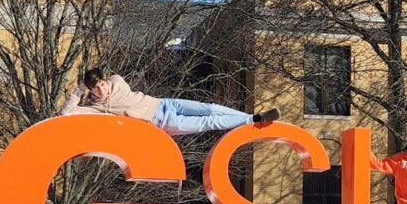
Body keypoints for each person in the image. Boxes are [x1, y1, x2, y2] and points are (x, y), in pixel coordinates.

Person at [60, 68, 280, 135]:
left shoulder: (117, 80)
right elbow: (66, 113)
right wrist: (80, 89)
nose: (100, 90)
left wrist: (91, 81)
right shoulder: (95, 108)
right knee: (208, 123)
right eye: (95, 89)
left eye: (101, 85)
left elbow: (111, 81)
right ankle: (251, 120)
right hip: (162, 123)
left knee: (209, 108)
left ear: (106, 80)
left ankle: (254, 118)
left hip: (165, 103)